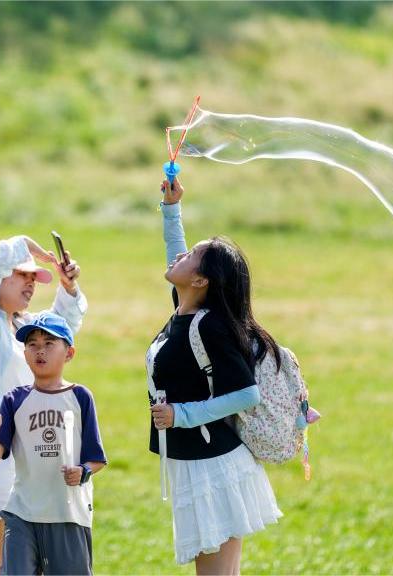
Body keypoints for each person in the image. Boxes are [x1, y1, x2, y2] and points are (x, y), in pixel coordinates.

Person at [147, 179, 281, 574]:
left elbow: (246, 394)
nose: (182, 255)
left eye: (194, 256)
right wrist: (171, 209)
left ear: (201, 281)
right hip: (196, 461)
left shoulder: (208, 326)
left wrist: (180, 414)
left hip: (214, 466)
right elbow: (176, 256)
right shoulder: (185, 310)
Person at [0, 235, 87, 575]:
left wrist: (68, 289)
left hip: (33, 457)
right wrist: (28, 245)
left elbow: (61, 333)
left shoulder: (24, 328)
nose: (31, 283)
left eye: (34, 278)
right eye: (22, 275)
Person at [0, 312, 106, 575]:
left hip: (67, 514)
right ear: (24, 353)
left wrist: (82, 472)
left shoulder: (80, 397)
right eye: (32, 344)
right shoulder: (15, 399)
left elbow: (96, 459)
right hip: (22, 513)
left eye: (49, 343)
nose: (40, 351)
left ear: (69, 353)